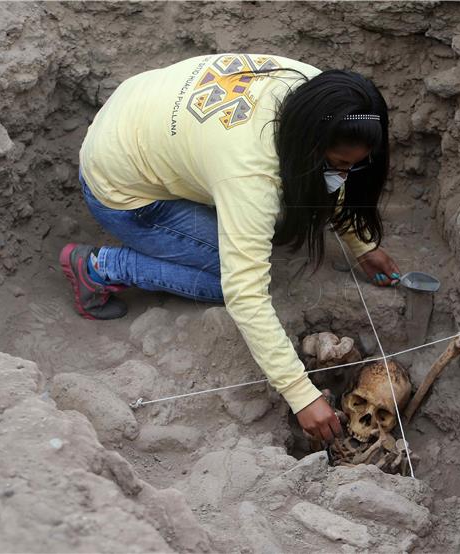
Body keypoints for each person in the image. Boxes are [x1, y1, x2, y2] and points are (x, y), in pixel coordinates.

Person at [60, 53, 401, 442]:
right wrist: (300, 394)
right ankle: (101, 267)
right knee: (224, 280)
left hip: (139, 108)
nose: (344, 175)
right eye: (339, 163)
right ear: (310, 144)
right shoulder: (249, 171)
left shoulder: (320, 94)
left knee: (264, 222)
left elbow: (334, 175)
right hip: (118, 185)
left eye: (355, 166)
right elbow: (245, 293)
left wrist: (361, 243)